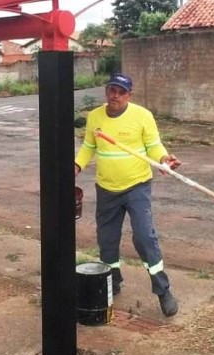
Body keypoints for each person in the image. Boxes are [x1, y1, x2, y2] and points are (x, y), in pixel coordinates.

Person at [74, 72, 182, 317]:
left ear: (129, 95)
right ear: (106, 90)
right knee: (107, 241)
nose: (116, 95)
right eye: (112, 89)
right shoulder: (95, 117)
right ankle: (114, 278)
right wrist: (76, 166)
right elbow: (89, 147)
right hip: (106, 189)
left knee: (144, 238)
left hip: (137, 186)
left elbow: (153, 146)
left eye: (121, 92)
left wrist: (164, 159)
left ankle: (163, 290)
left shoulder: (142, 116)